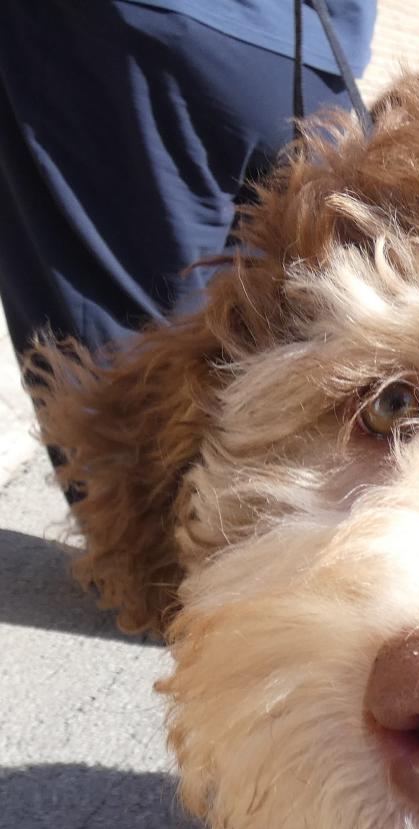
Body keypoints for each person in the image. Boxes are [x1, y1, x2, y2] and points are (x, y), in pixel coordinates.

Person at [0, 0, 376, 494]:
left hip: (131, 37)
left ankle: (152, 566)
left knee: (127, 388)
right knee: (286, 352)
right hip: (310, 53)